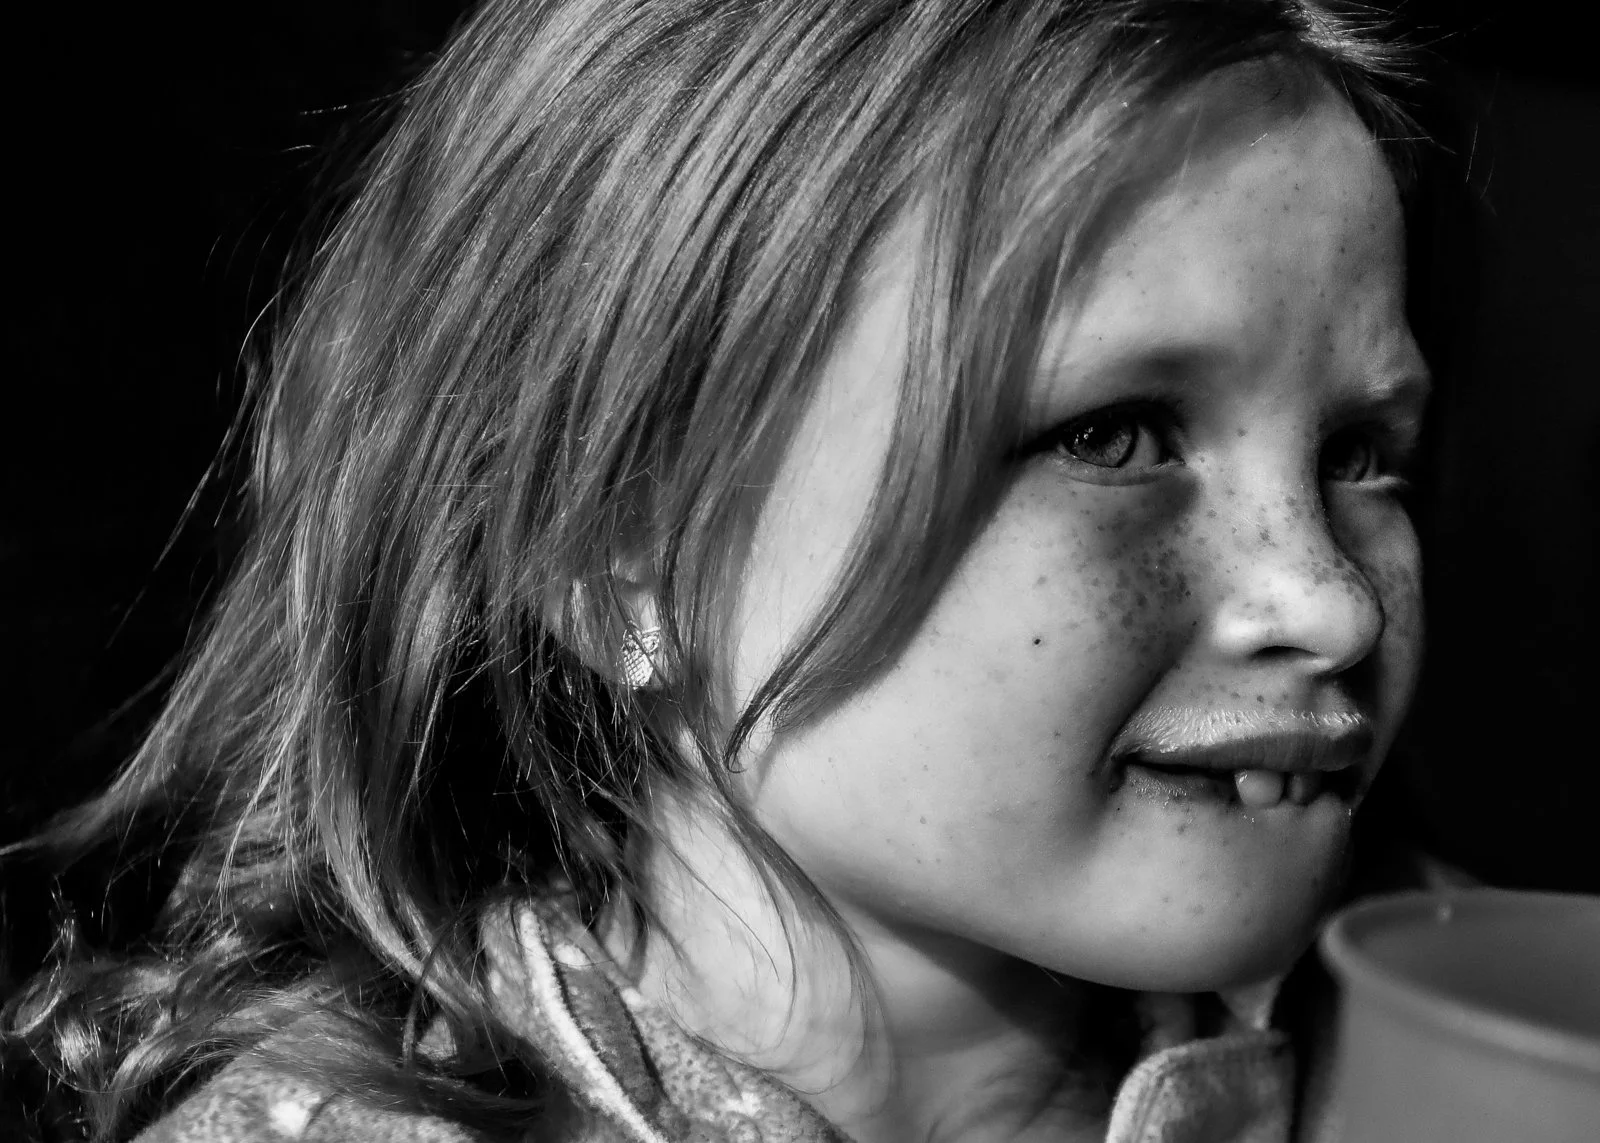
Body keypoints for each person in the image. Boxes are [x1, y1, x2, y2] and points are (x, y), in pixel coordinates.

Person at [1, 1, 1451, 1140]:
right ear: (613, 548)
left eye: (1361, 454)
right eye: (1118, 434)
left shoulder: (1447, 1051)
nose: (1330, 596)